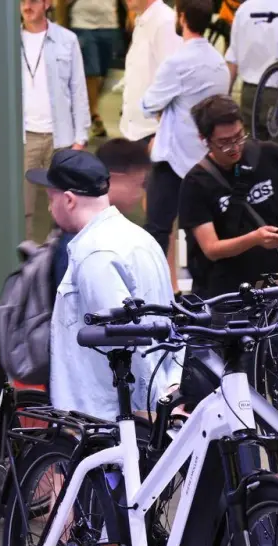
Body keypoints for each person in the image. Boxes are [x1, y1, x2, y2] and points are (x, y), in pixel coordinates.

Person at [30, 149, 181, 420]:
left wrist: (148, 408)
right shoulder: (139, 237)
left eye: (50, 200)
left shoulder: (95, 254)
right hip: (140, 409)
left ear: (68, 200)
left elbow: (127, 341)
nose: (51, 208)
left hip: (108, 420)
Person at [179, 95, 278, 299]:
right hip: (227, 290)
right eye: (224, 143)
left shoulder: (270, 154)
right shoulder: (196, 183)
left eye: (239, 136)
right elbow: (211, 248)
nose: (235, 148)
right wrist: (254, 239)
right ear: (204, 140)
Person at [141, 0, 229, 254]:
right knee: (200, 236)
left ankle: (155, 291)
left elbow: (148, 103)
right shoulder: (219, 64)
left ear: (181, 19)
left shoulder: (176, 63)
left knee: (158, 230)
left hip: (172, 160)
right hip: (205, 162)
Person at [20, 0, 91, 243]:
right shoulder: (10, 39)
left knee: (65, 207)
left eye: (33, 0)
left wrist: (80, 139)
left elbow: (78, 89)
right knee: (23, 208)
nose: (26, 6)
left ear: (47, 3)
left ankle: (61, 265)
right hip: (25, 136)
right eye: (22, 1)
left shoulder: (66, 40)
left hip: (61, 137)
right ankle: (27, 269)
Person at [52, 137, 157, 289]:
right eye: (139, 184)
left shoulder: (97, 226)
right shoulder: (82, 237)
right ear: (115, 179)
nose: (140, 193)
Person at [225, 0, 278, 133]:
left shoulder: (244, 10)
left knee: (251, 148)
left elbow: (232, 61)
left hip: (250, 94)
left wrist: (224, 98)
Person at [119, 0, 184, 146]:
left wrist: (163, 134)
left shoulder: (165, 22)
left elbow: (175, 82)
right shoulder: (143, 21)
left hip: (154, 135)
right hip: (136, 131)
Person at [68, 0, 122, 139]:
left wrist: (132, 12)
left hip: (109, 24)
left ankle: (86, 107)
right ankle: (93, 114)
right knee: (91, 71)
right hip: (82, 23)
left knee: (104, 73)